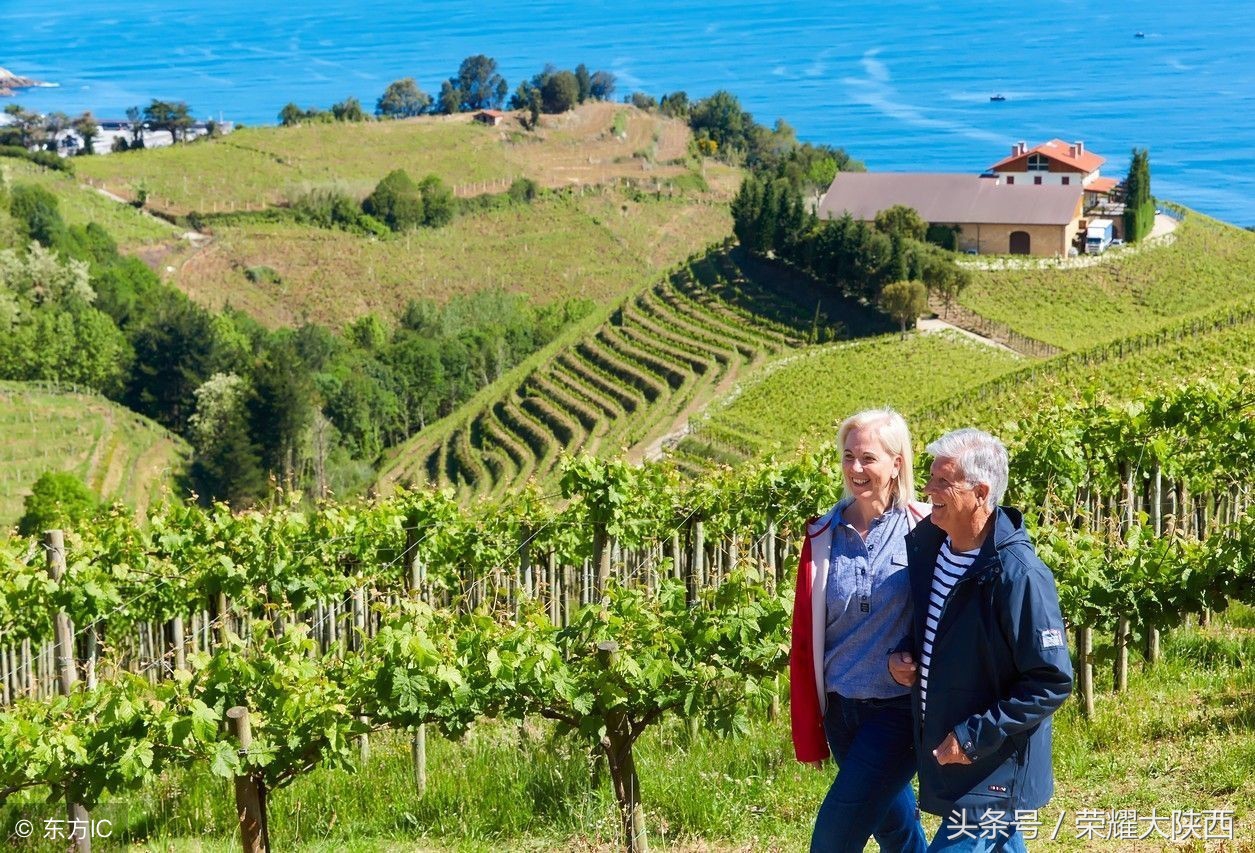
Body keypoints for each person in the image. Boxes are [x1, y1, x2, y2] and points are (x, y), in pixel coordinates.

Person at [888, 428, 1073, 852]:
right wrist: (903, 655)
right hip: (962, 758)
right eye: (931, 478)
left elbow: (1051, 681)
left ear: (980, 492)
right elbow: (938, 630)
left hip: (992, 762)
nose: (928, 489)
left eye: (943, 482)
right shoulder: (932, 551)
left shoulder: (1019, 574)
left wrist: (973, 737)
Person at [790, 409, 929, 853]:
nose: (855, 469)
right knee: (896, 829)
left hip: (897, 712)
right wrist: (810, 730)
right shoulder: (822, 537)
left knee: (833, 837)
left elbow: (946, 616)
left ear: (896, 463)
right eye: (848, 457)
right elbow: (805, 641)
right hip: (842, 714)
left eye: (868, 458)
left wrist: (910, 656)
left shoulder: (927, 530)